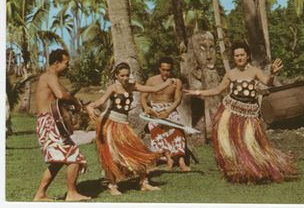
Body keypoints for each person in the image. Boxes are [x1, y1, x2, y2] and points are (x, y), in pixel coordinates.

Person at [184, 42, 297, 183]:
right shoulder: (231, 73)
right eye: (236, 56)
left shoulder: (255, 71)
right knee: (230, 143)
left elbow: (268, 82)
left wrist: (273, 73)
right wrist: (198, 91)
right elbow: (218, 90)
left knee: (249, 143)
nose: (239, 58)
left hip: (249, 113)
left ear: (247, 56)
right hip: (231, 111)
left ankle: (254, 170)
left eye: (242, 55)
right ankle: (238, 172)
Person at [86, 61, 175, 195]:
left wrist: (167, 83)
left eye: (127, 75)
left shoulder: (132, 86)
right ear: (116, 75)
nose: (125, 78)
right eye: (122, 76)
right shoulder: (113, 88)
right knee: (111, 155)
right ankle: (112, 185)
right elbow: (100, 101)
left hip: (123, 124)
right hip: (110, 123)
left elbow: (153, 89)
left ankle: (144, 183)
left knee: (137, 150)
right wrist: (90, 107)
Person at [34, 49, 90, 201]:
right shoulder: (50, 76)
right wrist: (75, 102)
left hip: (47, 123)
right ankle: (71, 193)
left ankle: (40, 194)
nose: (68, 66)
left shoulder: (50, 78)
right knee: (74, 157)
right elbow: (61, 95)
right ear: (56, 63)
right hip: (50, 124)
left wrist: (77, 103)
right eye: (66, 63)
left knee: (58, 161)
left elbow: (66, 93)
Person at [140, 57, 191, 172]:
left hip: (170, 109)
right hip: (155, 110)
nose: (165, 73)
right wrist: (147, 108)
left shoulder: (177, 82)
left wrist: (167, 111)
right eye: (163, 69)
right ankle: (168, 158)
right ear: (159, 69)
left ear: (171, 70)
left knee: (177, 129)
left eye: (168, 70)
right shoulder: (152, 81)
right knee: (155, 128)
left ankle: (181, 161)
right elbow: (143, 97)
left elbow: (178, 100)